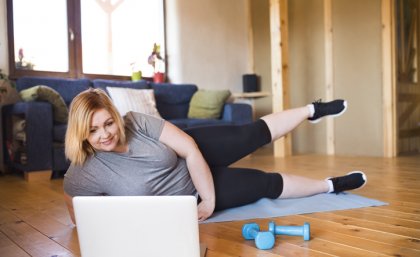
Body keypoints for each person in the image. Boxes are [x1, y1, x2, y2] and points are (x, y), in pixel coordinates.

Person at [63, 88, 366, 223]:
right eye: (93, 131)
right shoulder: (83, 171)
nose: (105, 134)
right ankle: (330, 185)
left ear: (116, 116)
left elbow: (190, 150)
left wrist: (210, 200)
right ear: (80, 134)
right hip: (189, 194)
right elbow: (79, 216)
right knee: (263, 184)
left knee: (251, 134)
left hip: (195, 151)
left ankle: (311, 110)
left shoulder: (135, 121)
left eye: (108, 123)